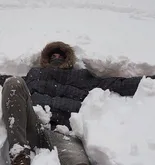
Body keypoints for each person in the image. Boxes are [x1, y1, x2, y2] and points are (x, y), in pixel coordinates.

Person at [1, 41, 153, 165]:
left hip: (65, 134)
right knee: (13, 83)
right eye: (52, 54)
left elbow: (117, 84)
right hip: (33, 127)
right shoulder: (34, 74)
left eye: (60, 54)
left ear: (68, 58)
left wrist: (148, 80)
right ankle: (19, 156)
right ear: (46, 58)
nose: (56, 56)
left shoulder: (82, 77)